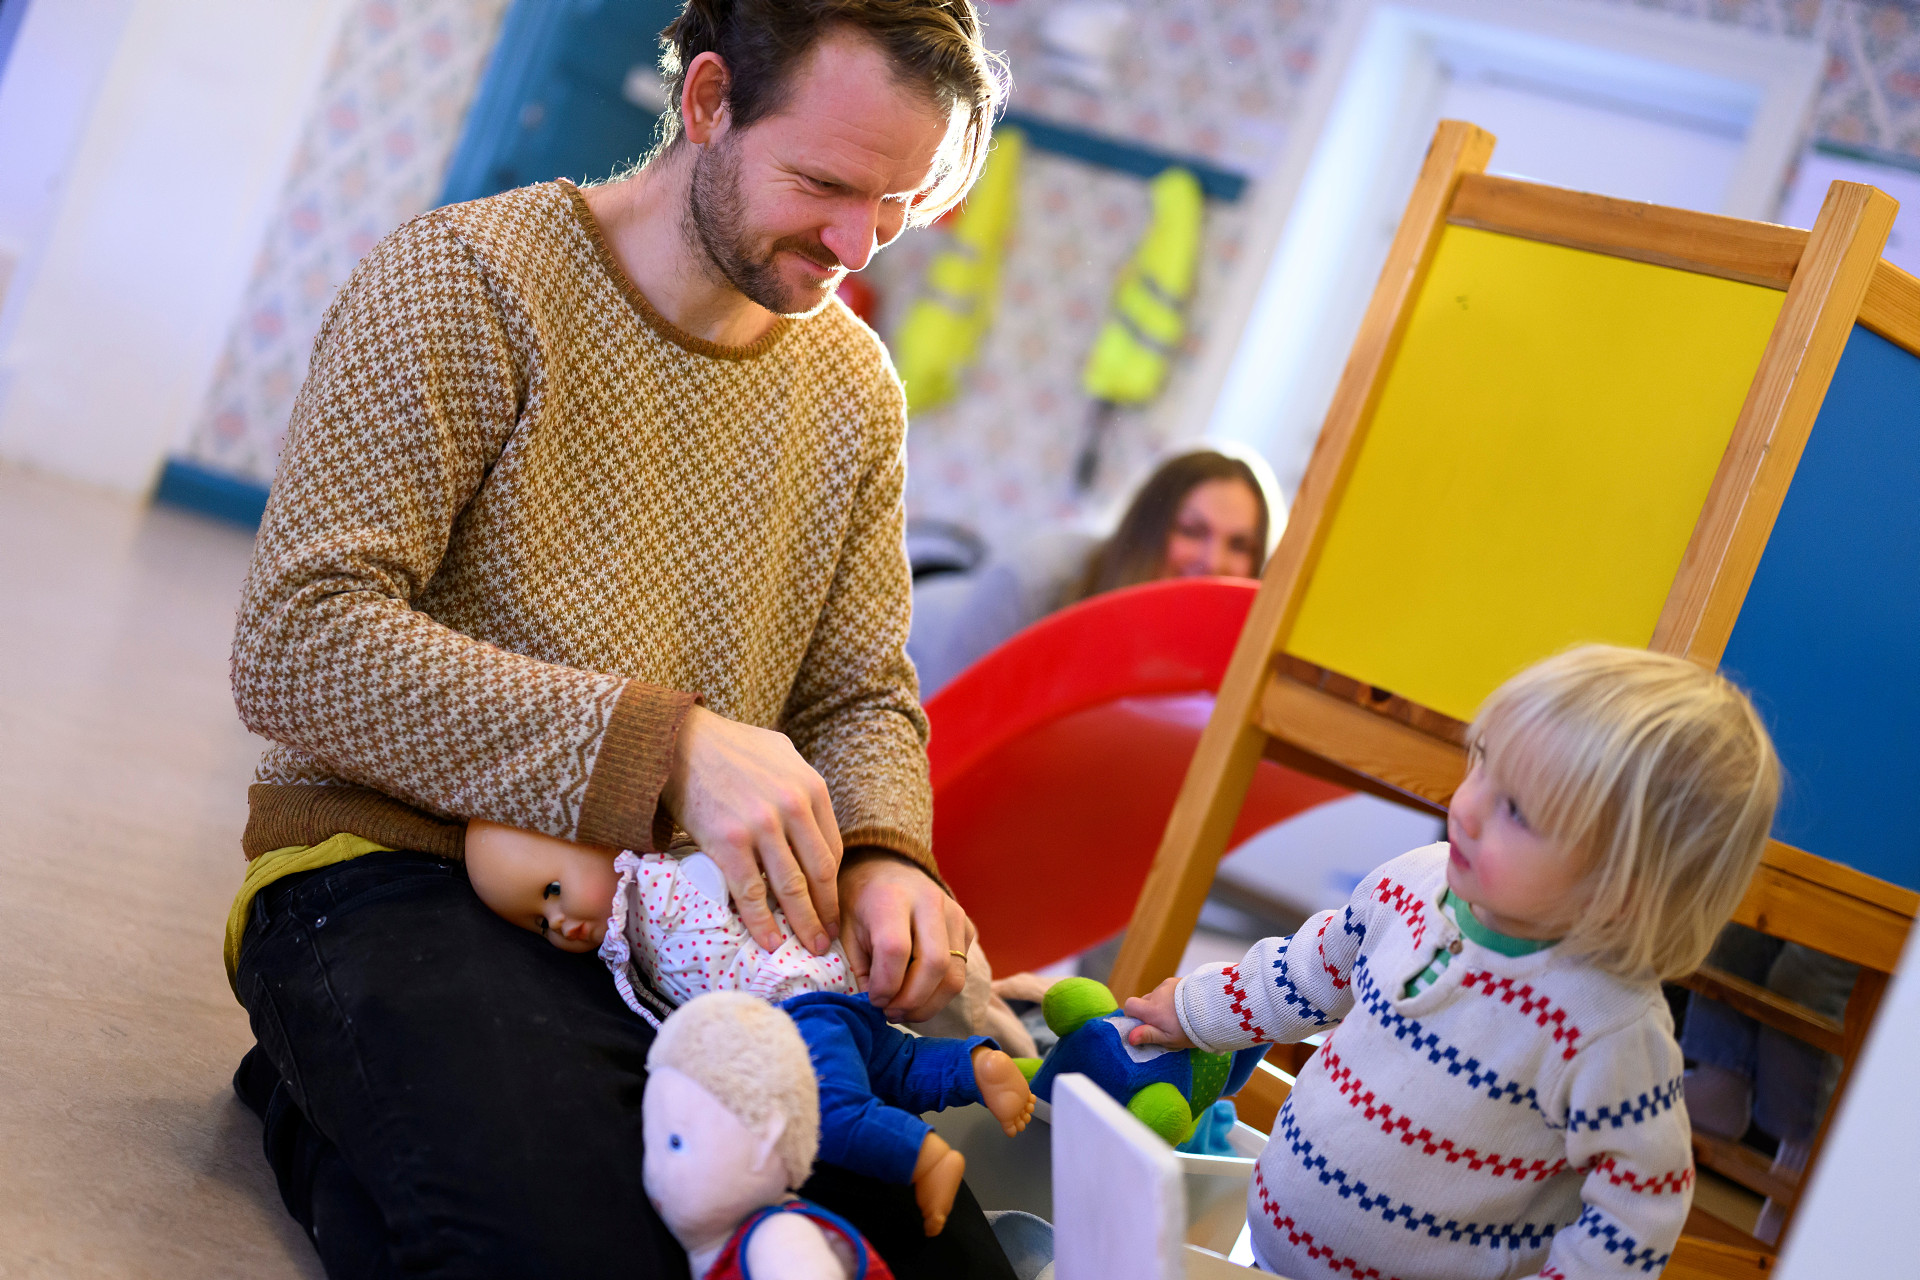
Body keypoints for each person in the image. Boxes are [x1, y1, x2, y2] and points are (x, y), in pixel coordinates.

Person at [223, 2, 1014, 1274]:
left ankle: (364, 1132)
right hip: (400, 872)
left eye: (899, 202)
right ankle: (326, 1098)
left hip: (693, 931)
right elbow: (297, 644)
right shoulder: (464, 279)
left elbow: (859, 691)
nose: (858, 242)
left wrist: (882, 853)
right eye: (825, 184)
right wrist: (670, 750)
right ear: (707, 102)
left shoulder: (856, 388)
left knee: (919, 1257)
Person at [1122, 645, 1781, 1279]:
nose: (1465, 806)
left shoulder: (1608, 1032)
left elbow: (1638, 1211)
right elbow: (1306, 973)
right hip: (1268, 1250)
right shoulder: (1410, 883)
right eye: (1482, 761)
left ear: (1621, 889)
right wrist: (1195, 1011)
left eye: (1515, 810)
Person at [461, 819, 1037, 1238]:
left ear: (597, 836)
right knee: (896, 1066)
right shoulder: (632, 916)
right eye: (540, 924)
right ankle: (976, 1066)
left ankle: (921, 1156)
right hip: (828, 996)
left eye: (553, 891)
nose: (559, 922)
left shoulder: (655, 878)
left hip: (793, 1006)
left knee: (821, 1113)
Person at [909, 447, 1277, 697]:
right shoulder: (1042, 577)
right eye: (1192, 531)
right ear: (1146, 531)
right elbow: (941, 731)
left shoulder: (1209, 647)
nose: (1214, 562)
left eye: (1239, 545)